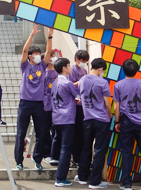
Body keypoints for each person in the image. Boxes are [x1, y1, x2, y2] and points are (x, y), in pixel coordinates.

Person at [14, 24, 53, 171]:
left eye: (39, 54)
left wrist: (50, 35)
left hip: (39, 104)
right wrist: (31, 35)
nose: (38, 56)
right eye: (35, 54)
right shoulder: (25, 66)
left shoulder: (42, 66)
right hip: (25, 103)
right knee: (21, 133)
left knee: (41, 133)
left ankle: (38, 160)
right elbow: (24, 50)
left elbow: (49, 51)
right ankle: (19, 161)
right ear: (30, 56)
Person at [113, 59, 141, 190]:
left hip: (126, 121)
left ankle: (126, 183)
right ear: (137, 70)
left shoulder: (118, 85)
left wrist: (117, 121)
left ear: (123, 70)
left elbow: (116, 106)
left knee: (126, 152)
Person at [76, 58, 112, 189]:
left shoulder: (83, 80)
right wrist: (110, 114)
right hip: (102, 120)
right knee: (99, 150)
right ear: (101, 69)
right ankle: (95, 181)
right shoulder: (102, 82)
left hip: (87, 119)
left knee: (86, 148)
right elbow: (107, 103)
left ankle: (82, 177)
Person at [51, 57, 79, 187]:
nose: (70, 67)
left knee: (62, 146)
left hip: (57, 117)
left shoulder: (55, 82)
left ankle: (60, 177)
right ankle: (60, 178)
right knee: (66, 149)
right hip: (67, 119)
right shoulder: (67, 83)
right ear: (64, 68)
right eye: (68, 65)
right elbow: (78, 95)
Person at [68, 49, 89, 167]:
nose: (84, 63)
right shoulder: (71, 70)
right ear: (76, 59)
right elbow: (69, 85)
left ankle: (80, 158)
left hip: (83, 105)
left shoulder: (84, 70)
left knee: (82, 133)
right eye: (82, 60)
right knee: (76, 133)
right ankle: (75, 158)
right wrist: (81, 81)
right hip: (75, 105)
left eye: (86, 61)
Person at [43, 48, 59, 165]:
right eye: (51, 56)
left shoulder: (58, 72)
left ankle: (55, 154)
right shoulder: (43, 71)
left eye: (54, 56)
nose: (53, 58)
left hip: (57, 105)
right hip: (45, 105)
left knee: (55, 130)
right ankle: (46, 153)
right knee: (45, 130)